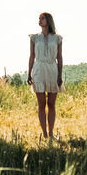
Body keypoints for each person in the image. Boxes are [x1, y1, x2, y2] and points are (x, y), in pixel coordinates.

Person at [27, 11, 63, 140]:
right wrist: (29, 73)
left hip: (52, 70)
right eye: (39, 18)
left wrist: (60, 75)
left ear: (48, 20)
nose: (39, 20)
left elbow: (59, 57)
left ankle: (52, 132)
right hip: (39, 70)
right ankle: (45, 133)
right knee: (41, 104)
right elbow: (32, 56)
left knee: (52, 104)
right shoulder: (34, 38)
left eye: (42, 18)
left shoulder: (57, 38)